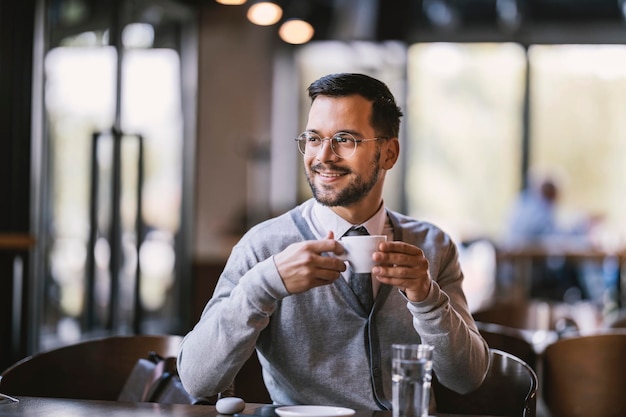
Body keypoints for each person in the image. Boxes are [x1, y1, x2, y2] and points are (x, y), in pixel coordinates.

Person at [177, 73, 489, 410]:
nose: (323, 156)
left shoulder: (432, 246)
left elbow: (467, 378)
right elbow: (198, 380)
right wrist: (265, 285)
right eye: (313, 138)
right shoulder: (264, 246)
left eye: (345, 139)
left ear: (388, 153)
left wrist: (426, 298)